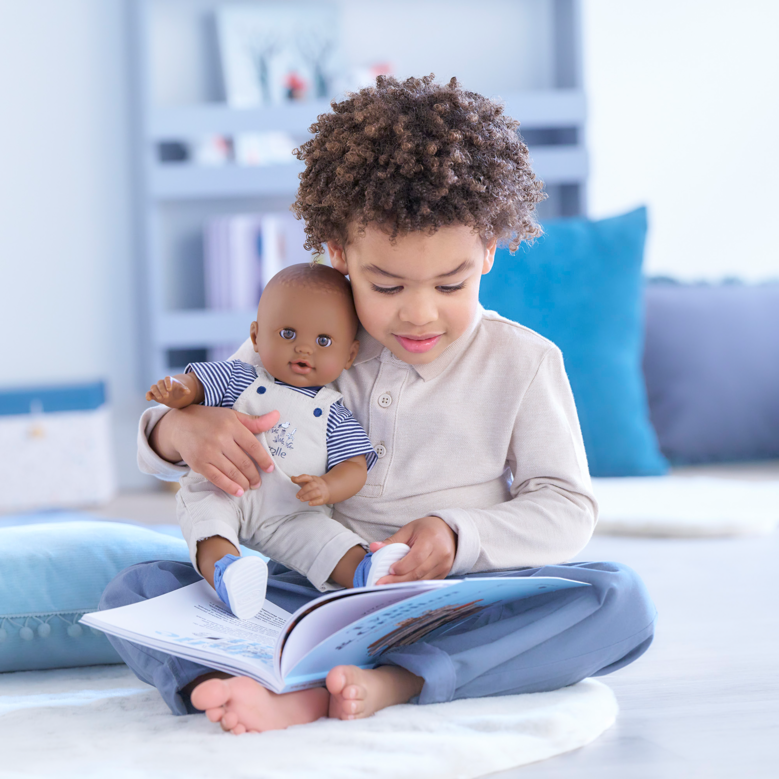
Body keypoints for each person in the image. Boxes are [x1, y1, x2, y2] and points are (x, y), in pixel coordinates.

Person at [101, 74, 656, 734]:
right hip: (305, 588)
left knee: (616, 598)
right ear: (338, 254)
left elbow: (565, 508)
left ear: (487, 249)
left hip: (453, 603)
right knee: (135, 589)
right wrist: (182, 430)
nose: (419, 313)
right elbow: (176, 437)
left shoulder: (524, 362)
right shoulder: (306, 334)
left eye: (449, 283)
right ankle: (237, 677)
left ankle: (388, 680)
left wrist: (456, 536)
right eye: (386, 284)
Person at [144, 263, 407, 620]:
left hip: (293, 509)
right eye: (287, 333)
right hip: (224, 488)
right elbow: (198, 386)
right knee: (207, 522)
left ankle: (366, 570)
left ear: (349, 355)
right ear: (255, 336)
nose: (303, 349)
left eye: (323, 341)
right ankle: (228, 572)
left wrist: (328, 487)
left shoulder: (335, 413)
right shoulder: (240, 376)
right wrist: (178, 392)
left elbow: (355, 466)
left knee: (323, 539)